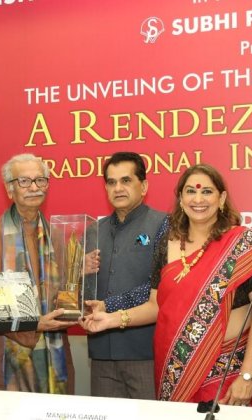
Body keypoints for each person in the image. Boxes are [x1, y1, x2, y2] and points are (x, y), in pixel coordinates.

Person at [81, 163, 252, 407]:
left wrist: (248, 376)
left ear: (221, 197)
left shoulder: (242, 245)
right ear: (181, 199)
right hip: (175, 371)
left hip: (225, 374)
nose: (198, 199)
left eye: (207, 191)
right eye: (191, 191)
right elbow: (155, 306)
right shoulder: (168, 244)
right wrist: (111, 319)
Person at [0, 153, 77, 394]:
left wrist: (81, 275)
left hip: (54, 349)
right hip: (9, 350)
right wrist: (35, 323)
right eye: (24, 181)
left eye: (40, 180)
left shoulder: (57, 236)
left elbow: (67, 293)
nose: (34, 187)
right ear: (10, 189)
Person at [85, 152, 168, 399]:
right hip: (101, 352)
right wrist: (79, 275)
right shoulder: (91, 231)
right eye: (111, 182)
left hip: (145, 351)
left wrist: (109, 305)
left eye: (126, 180)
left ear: (143, 186)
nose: (118, 188)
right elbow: (77, 290)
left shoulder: (164, 224)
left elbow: (161, 286)